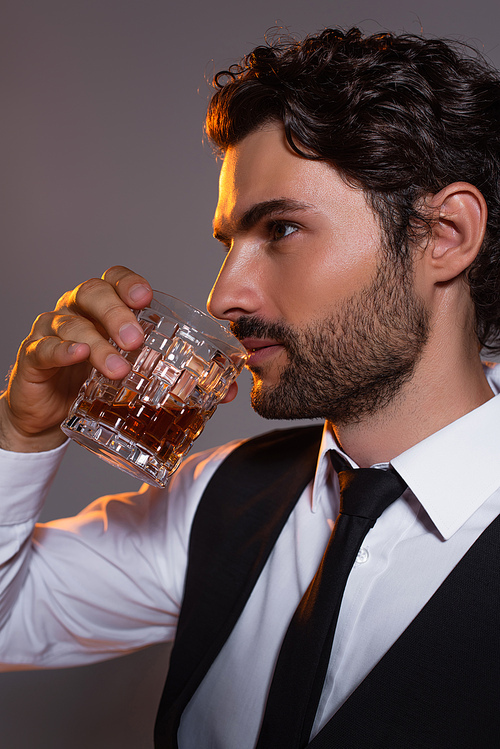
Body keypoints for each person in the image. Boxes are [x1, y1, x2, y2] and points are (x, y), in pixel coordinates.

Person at [1, 26, 500, 748]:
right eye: (229, 243)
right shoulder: (217, 497)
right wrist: (23, 432)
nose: (226, 294)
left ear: (446, 234)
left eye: (283, 229)